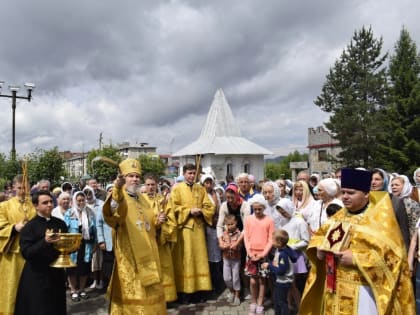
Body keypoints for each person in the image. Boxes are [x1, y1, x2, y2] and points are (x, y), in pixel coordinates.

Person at [300, 168, 415, 314]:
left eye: (351, 193)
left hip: (365, 291)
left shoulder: (380, 220)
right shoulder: (338, 217)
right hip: (334, 288)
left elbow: (394, 259)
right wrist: (319, 252)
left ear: (366, 194)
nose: (345, 197)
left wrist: (357, 258)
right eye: (343, 192)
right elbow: (318, 239)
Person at [103, 158, 166, 313]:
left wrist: (157, 221)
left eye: (137, 176)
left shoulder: (142, 199)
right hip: (130, 255)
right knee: (133, 289)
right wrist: (117, 189)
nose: (135, 179)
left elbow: (148, 224)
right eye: (131, 176)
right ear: (123, 178)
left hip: (149, 251)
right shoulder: (118, 196)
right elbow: (112, 213)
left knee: (151, 288)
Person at [14, 190, 68, 315]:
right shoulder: (29, 227)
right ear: (36, 206)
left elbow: (64, 248)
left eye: (50, 202)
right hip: (37, 275)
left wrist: (72, 246)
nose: (49, 205)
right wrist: (45, 241)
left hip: (56, 274)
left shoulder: (60, 223)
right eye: (45, 203)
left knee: (57, 307)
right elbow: (26, 253)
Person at [167, 164, 215, 303]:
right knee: (186, 260)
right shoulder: (177, 189)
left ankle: (200, 292)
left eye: (194, 173)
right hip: (184, 230)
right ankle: (185, 293)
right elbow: (173, 208)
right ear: (184, 174)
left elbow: (209, 206)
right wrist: (188, 211)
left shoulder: (200, 189)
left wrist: (201, 211)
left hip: (198, 230)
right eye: (189, 173)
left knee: (199, 260)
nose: (192, 175)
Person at [0, 174, 36, 314]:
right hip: (12, 255)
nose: (22, 191)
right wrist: (14, 228)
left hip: (31, 255)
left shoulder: (35, 205)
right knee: (12, 288)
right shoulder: (4, 206)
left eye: (25, 187)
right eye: (20, 187)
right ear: (13, 187)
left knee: (31, 290)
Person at [142, 173, 178, 303]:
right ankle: (152, 298)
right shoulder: (140, 200)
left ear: (157, 185)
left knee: (165, 268)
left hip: (161, 242)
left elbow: (172, 219)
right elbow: (139, 221)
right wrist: (154, 223)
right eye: (148, 185)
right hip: (148, 242)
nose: (150, 187)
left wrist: (164, 225)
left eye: (153, 184)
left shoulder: (163, 200)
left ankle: (167, 298)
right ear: (144, 185)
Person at [275, 198, 309, 313]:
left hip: (295, 255)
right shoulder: (282, 220)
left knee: (292, 285)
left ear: (289, 208)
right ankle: (289, 305)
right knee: (288, 285)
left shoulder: (299, 221)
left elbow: (306, 240)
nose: (282, 214)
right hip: (284, 255)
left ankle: (300, 307)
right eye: (280, 212)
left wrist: (290, 247)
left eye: (284, 211)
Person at [244, 194, 274, 315]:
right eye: (255, 209)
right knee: (252, 280)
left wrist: (263, 254)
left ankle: (260, 303)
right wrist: (249, 252)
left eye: (259, 209)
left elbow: (271, 239)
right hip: (251, 253)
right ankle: (253, 301)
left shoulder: (269, 220)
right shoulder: (248, 219)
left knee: (262, 280)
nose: (257, 211)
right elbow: (246, 236)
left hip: (263, 254)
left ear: (263, 208)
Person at [64, 191, 96, 302]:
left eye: (83, 200)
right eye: (79, 200)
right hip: (73, 246)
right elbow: (65, 229)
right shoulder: (69, 213)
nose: (81, 202)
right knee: (72, 269)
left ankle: (82, 289)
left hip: (86, 245)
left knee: (84, 268)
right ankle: (73, 290)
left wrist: (95, 244)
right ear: (74, 201)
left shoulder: (90, 212)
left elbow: (94, 229)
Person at [371, 168, 410, 249]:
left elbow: (403, 229)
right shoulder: (365, 200)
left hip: (391, 247)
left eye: (377, 179)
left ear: (385, 181)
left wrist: (406, 252)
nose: (373, 182)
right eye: (370, 179)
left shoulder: (395, 201)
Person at [261, 229, 297, 315]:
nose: (271, 241)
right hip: (280, 281)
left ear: (279, 242)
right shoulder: (282, 250)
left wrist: (269, 266)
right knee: (277, 300)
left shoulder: (283, 255)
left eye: (272, 240)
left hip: (283, 282)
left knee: (281, 302)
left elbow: (281, 271)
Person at [201, 173, 224, 298]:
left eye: (210, 182)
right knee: (209, 256)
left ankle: (218, 284)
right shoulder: (201, 194)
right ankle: (211, 285)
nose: (209, 185)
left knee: (217, 255)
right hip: (207, 226)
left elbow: (219, 209)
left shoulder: (216, 194)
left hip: (216, 226)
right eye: (206, 183)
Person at [219, 214, 242, 306]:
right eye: (228, 224)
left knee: (236, 277)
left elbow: (240, 246)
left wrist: (235, 246)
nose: (230, 226)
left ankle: (237, 295)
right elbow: (220, 244)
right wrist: (223, 246)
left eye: (231, 224)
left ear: (236, 223)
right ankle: (231, 291)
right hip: (226, 258)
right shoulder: (224, 233)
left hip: (236, 259)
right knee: (226, 278)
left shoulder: (239, 233)